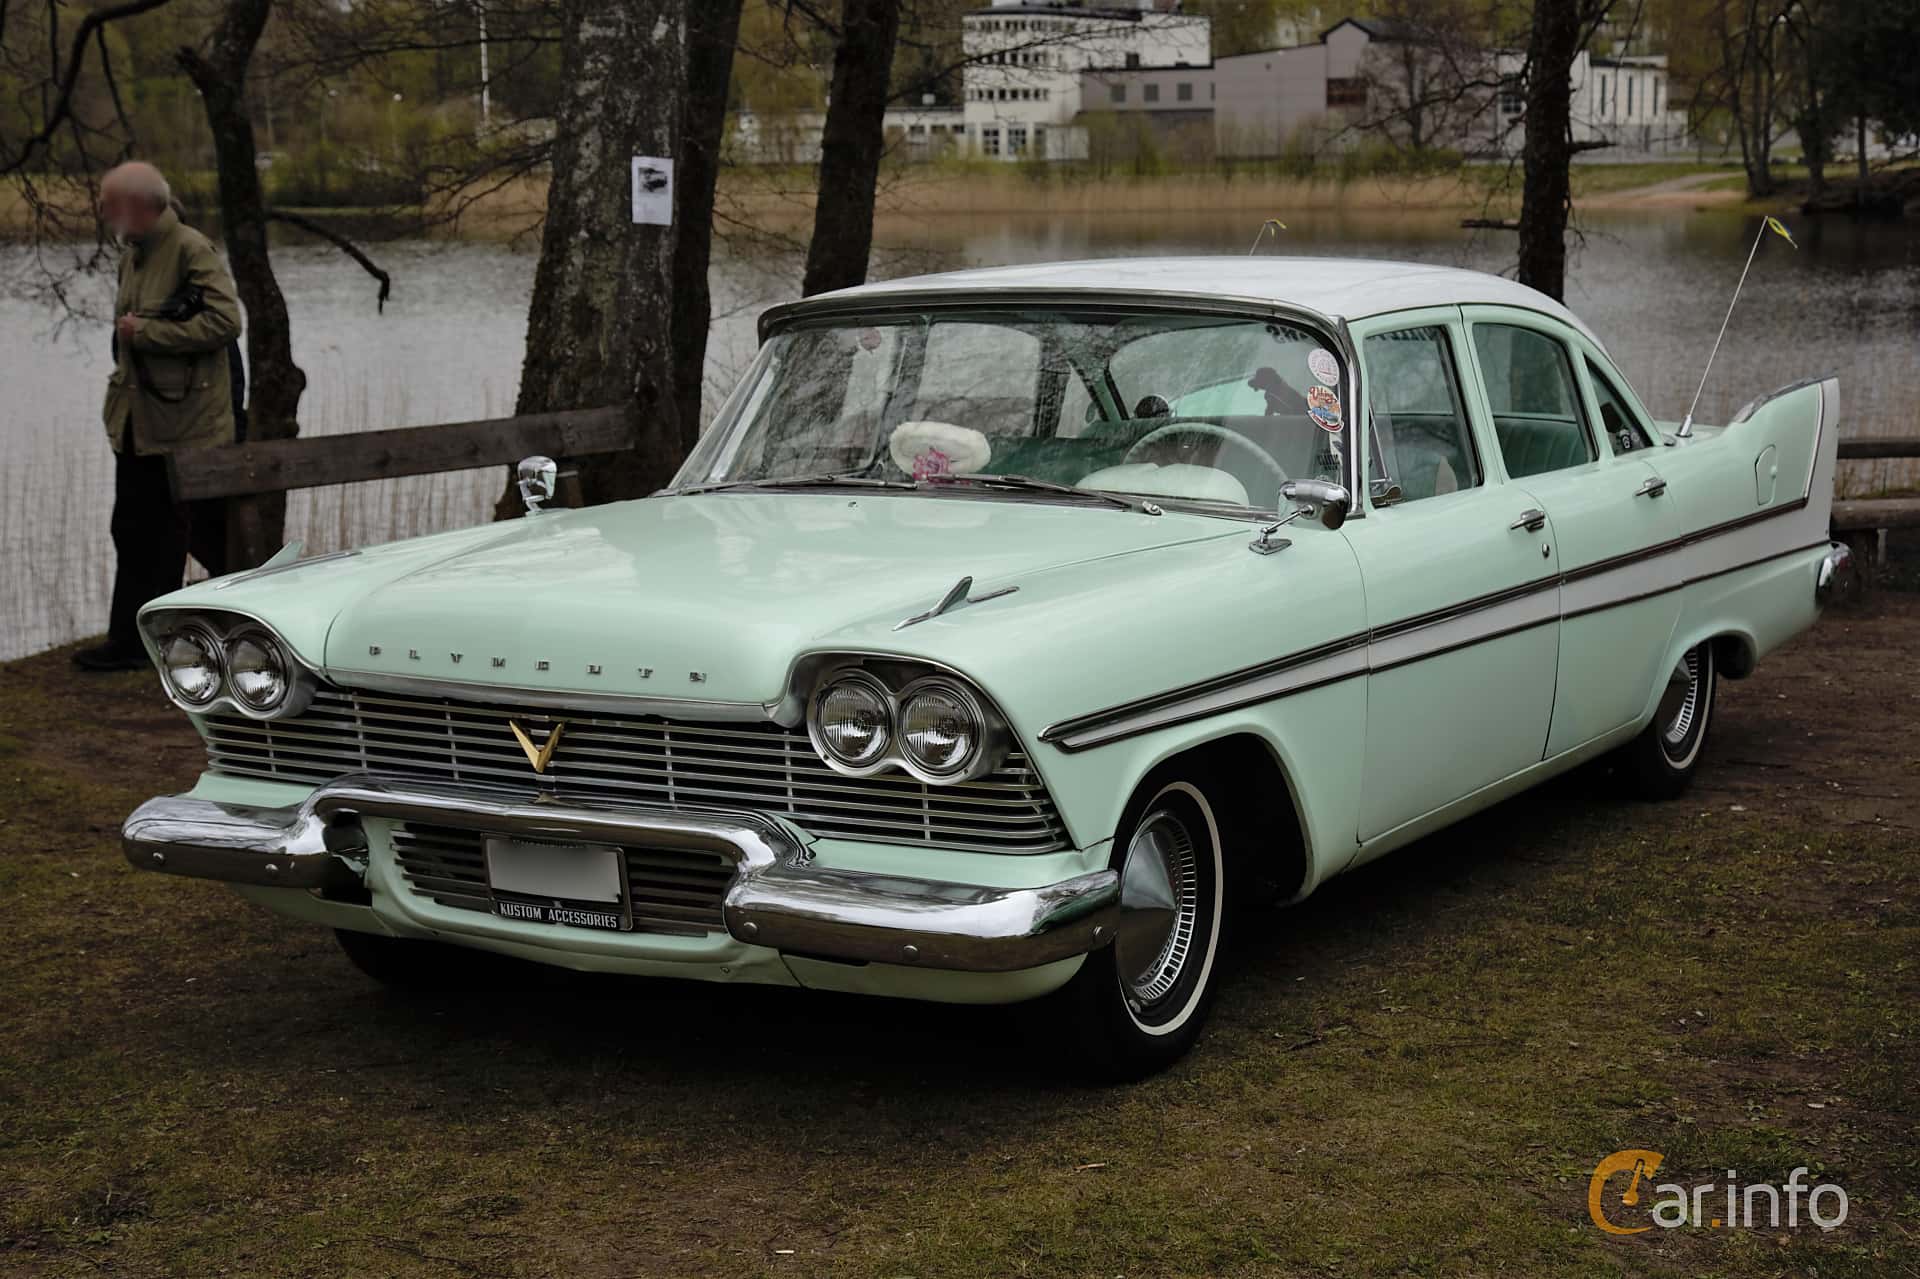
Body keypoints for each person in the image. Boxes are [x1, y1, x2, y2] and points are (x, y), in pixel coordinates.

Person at [75, 162, 243, 672]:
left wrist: (147, 335)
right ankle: (128, 642)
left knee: (178, 535)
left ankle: (159, 643)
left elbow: (226, 321)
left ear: (136, 206)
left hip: (184, 426)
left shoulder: (191, 248)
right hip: (137, 420)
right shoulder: (134, 254)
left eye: (108, 202)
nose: (102, 212)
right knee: (130, 528)